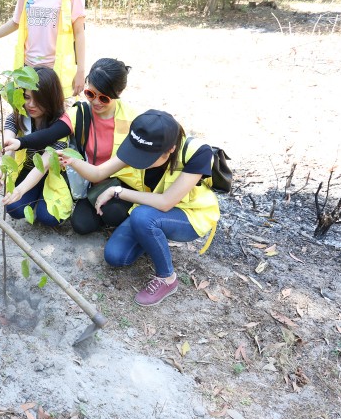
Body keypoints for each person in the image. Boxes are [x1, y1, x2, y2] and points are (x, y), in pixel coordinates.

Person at [59, 110, 220, 307]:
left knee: (142, 217)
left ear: (170, 149)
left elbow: (166, 202)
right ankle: (151, 238)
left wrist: (118, 192)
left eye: (145, 158)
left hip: (189, 215)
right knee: (115, 256)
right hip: (151, 209)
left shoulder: (198, 152)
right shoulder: (143, 142)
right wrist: (73, 161)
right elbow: (99, 172)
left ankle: (167, 278)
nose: (137, 160)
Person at [67, 58, 140, 235]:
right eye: (90, 94)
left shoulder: (133, 120)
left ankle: (121, 218)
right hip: (92, 185)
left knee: (113, 214)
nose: (96, 102)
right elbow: (55, 131)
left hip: (122, 184)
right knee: (81, 225)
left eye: (104, 97)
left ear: (119, 92)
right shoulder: (80, 112)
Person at [0, 67, 73, 226]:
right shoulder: (19, 116)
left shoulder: (59, 126)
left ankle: (40, 199)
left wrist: (20, 190)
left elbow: (44, 165)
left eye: (38, 100)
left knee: (49, 218)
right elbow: (7, 145)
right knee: (14, 208)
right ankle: (34, 196)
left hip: (51, 173)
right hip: (27, 168)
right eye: (26, 97)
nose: (31, 104)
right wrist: (1, 168)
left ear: (50, 99)